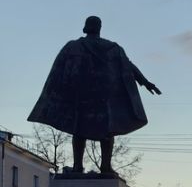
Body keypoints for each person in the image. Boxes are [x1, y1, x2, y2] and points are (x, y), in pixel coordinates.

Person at [28, 16, 161, 174]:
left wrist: (54, 95)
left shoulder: (74, 46)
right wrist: (146, 83)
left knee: (79, 130)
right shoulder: (113, 48)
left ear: (85, 27)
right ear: (99, 28)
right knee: (107, 131)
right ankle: (105, 166)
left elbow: (58, 72)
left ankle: (78, 167)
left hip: (82, 97)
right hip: (105, 99)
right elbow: (129, 67)